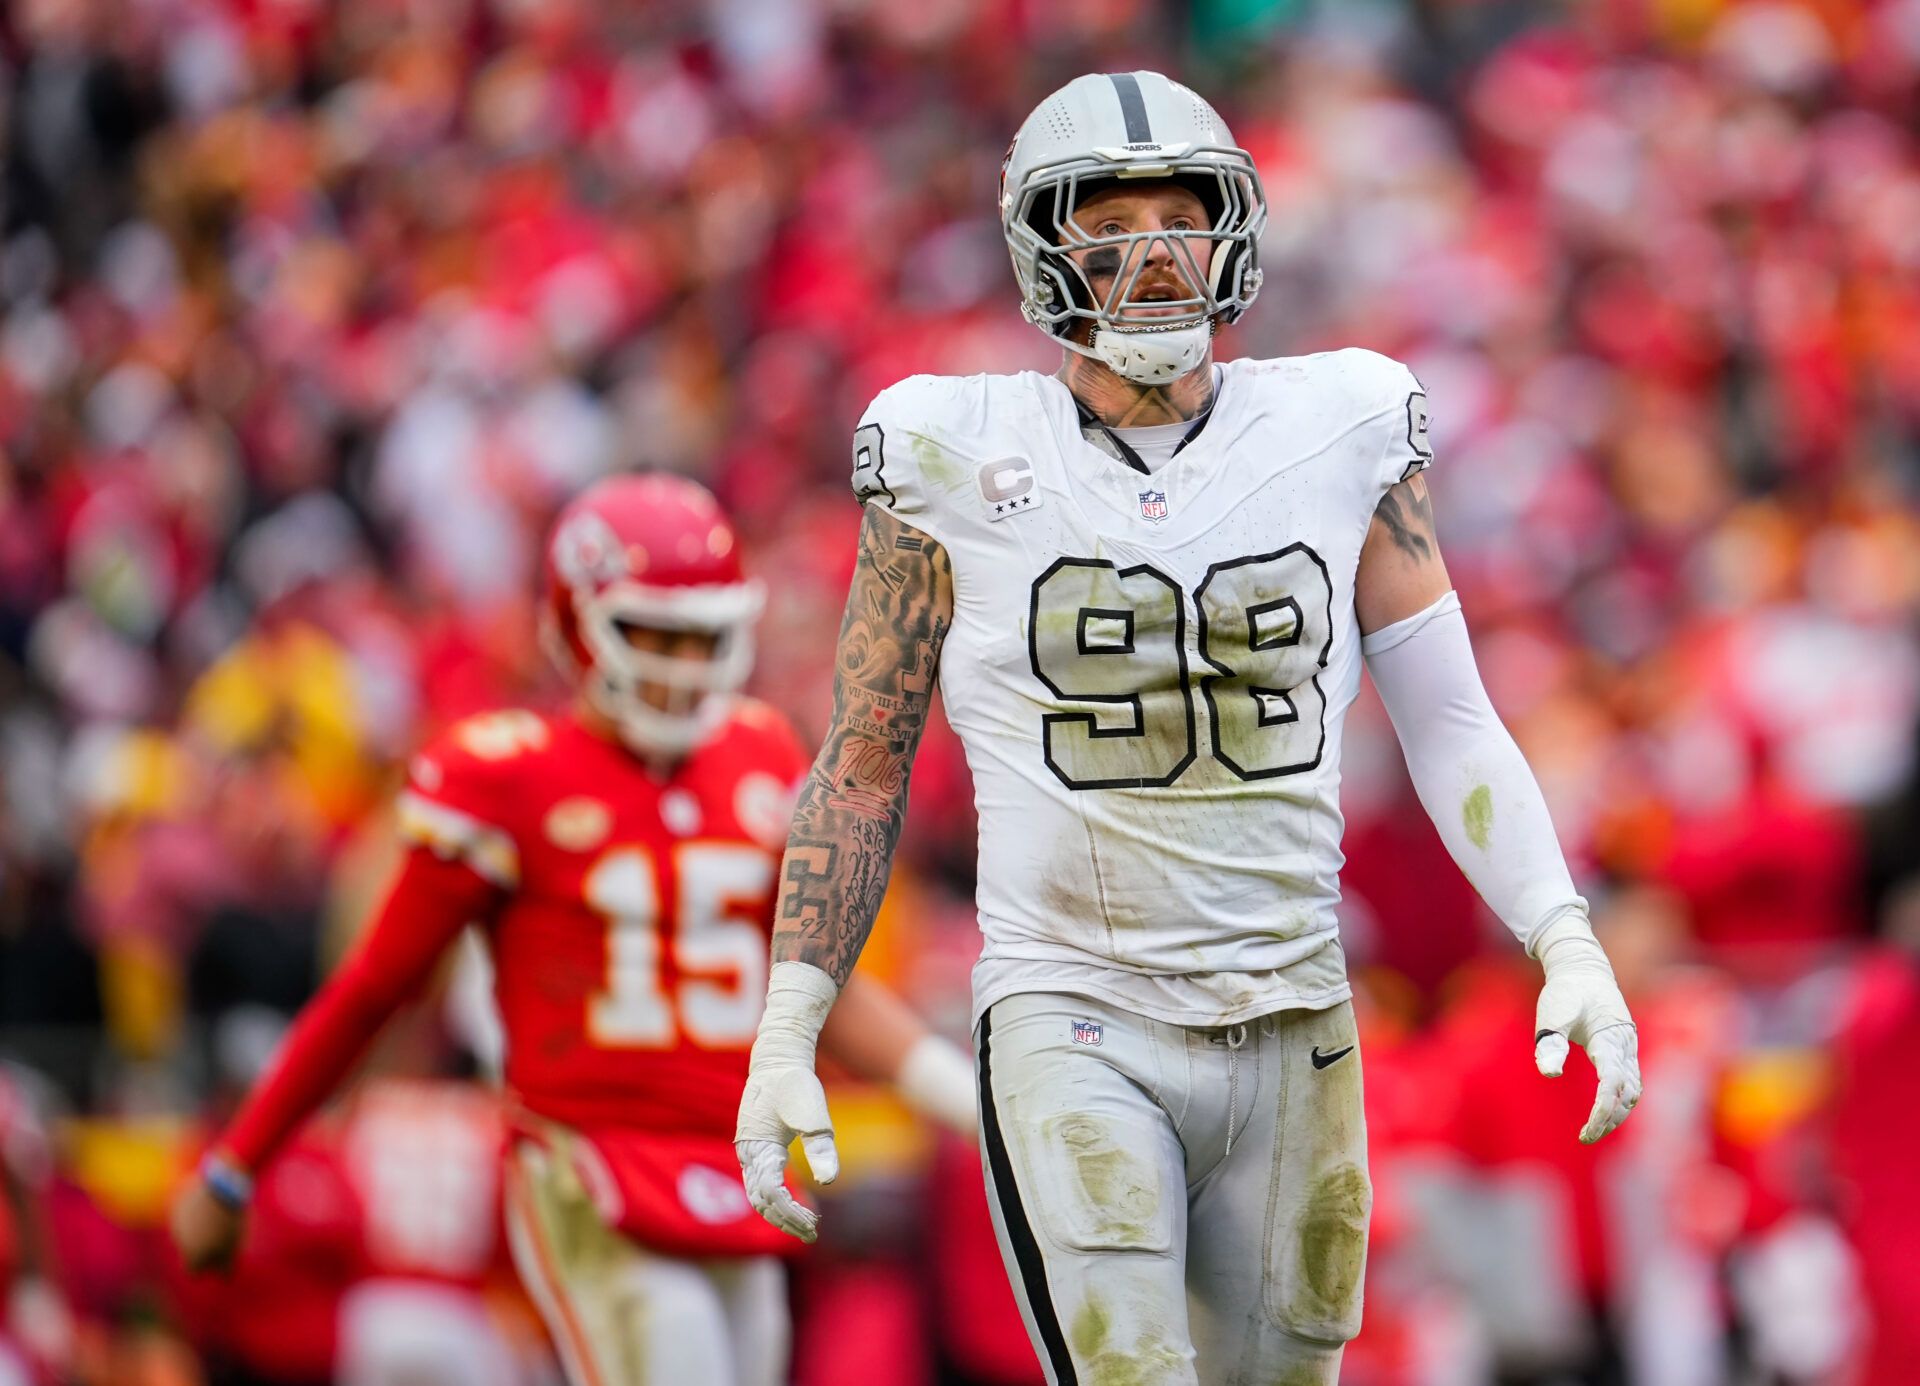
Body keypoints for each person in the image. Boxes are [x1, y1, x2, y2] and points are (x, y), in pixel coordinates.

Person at [734, 71, 1642, 1385]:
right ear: (1046, 246)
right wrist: (788, 1020)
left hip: (1292, 1011)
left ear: (1235, 228)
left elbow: (1449, 715)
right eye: (1111, 221)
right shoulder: (949, 451)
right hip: (1072, 1005)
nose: (1156, 252)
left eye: (1182, 213)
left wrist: (1564, 935)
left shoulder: (1341, 423)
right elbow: (866, 753)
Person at [171, 473, 977, 1386]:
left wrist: (976, 1105)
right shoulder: (506, 778)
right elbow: (374, 988)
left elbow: (819, 991)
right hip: (586, 1159)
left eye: (701, 634)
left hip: (729, 1162)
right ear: (576, 622)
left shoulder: (761, 753)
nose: (680, 662)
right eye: (652, 632)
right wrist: (237, 1166)